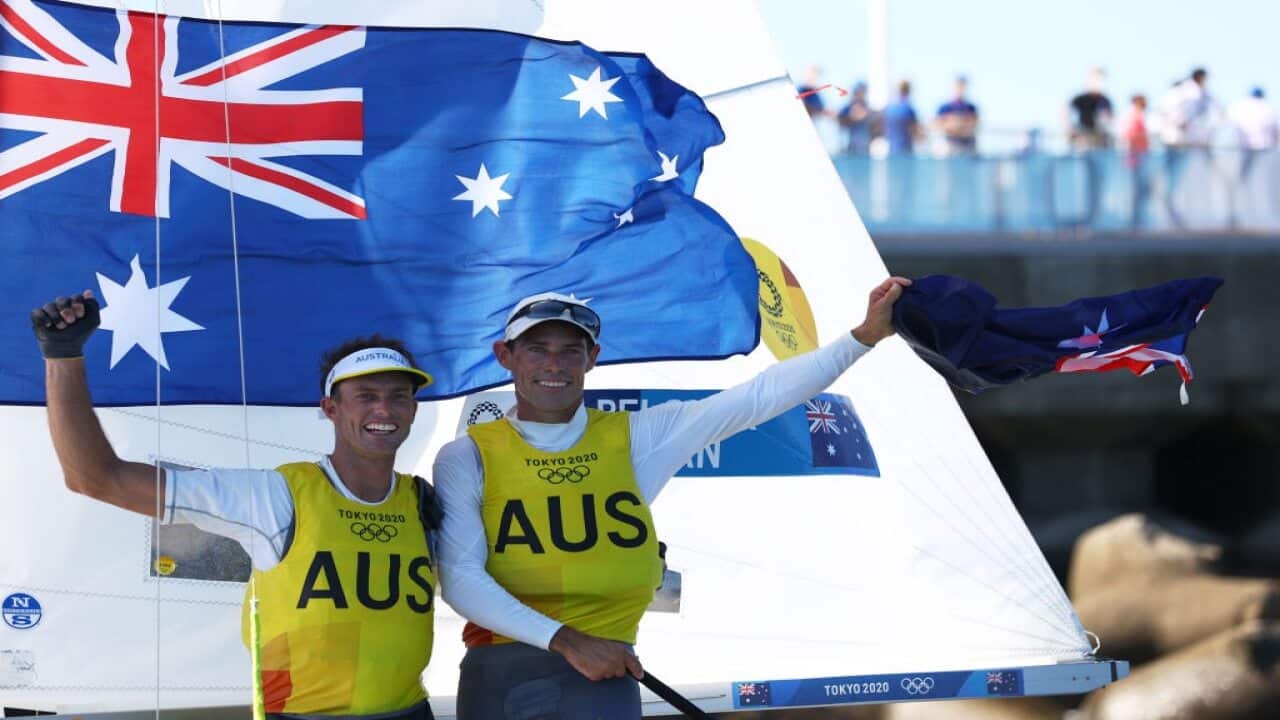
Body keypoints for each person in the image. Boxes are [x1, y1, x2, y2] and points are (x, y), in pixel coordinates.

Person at [435, 279, 911, 719]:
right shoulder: (468, 454)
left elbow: (759, 397)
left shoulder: (640, 435)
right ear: (505, 355)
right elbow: (460, 580)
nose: (554, 365)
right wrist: (568, 642)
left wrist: (863, 336)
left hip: (606, 671)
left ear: (593, 357)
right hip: (506, 670)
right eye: (537, 349)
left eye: (570, 351)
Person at [30, 291, 440, 720]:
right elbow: (96, 477)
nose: (384, 409)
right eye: (366, 395)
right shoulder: (275, 495)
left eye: (399, 396)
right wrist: (62, 355)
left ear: (413, 409)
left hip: (410, 711)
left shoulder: (424, 500)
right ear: (330, 408)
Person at [1157, 68, 1219, 227]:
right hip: (1178, 143)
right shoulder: (1187, 93)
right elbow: (1182, 116)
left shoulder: (1191, 93)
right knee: (1172, 182)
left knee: (1176, 182)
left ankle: (1174, 215)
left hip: (1184, 143)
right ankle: (1170, 214)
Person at [1066, 67, 1114, 226]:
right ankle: (1081, 217)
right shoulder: (1080, 99)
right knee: (1081, 181)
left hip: (1101, 146)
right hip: (1085, 144)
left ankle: (1094, 216)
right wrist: (1071, 131)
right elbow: (1067, 113)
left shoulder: (1105, 100)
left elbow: (1108, 121)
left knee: (1098, 182)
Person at [1120, 94, 1152, 229]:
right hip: (1134, 159)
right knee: (1136, 190)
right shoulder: (1131, 116)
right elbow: (1127, 136)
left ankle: (1138, 217)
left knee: (1143, 190)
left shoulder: (1140, 117)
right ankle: (1133, 219)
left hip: (1141, 158)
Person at [837, 81, 874, 155]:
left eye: (862, 92)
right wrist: (853, 117)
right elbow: (841, 123)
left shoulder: (868, 108)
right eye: (858, 92)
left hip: (865, 148)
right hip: (850, 148)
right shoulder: (847, 109)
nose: (860, 95)